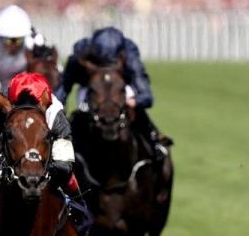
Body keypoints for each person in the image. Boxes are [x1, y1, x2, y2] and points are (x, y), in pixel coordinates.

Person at [0, 72, 90, 236]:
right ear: (11, 102)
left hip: (42, 158)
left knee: (67, 175)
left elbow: (64, 162)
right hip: (4, 155)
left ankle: (80, 208)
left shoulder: (53, 109)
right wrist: (2, 162)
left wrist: (41, 167)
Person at [57, 26, 171, 159]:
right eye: (101, 63)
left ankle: (153, 139)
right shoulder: (81, 53)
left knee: (135, 110)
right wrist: (56, 109)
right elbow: (64, 86)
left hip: (120, 87)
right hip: (90, 88)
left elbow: (146, 95)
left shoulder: (130, 54)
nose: (106, 68)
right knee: (81, 114)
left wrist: (135, 101)